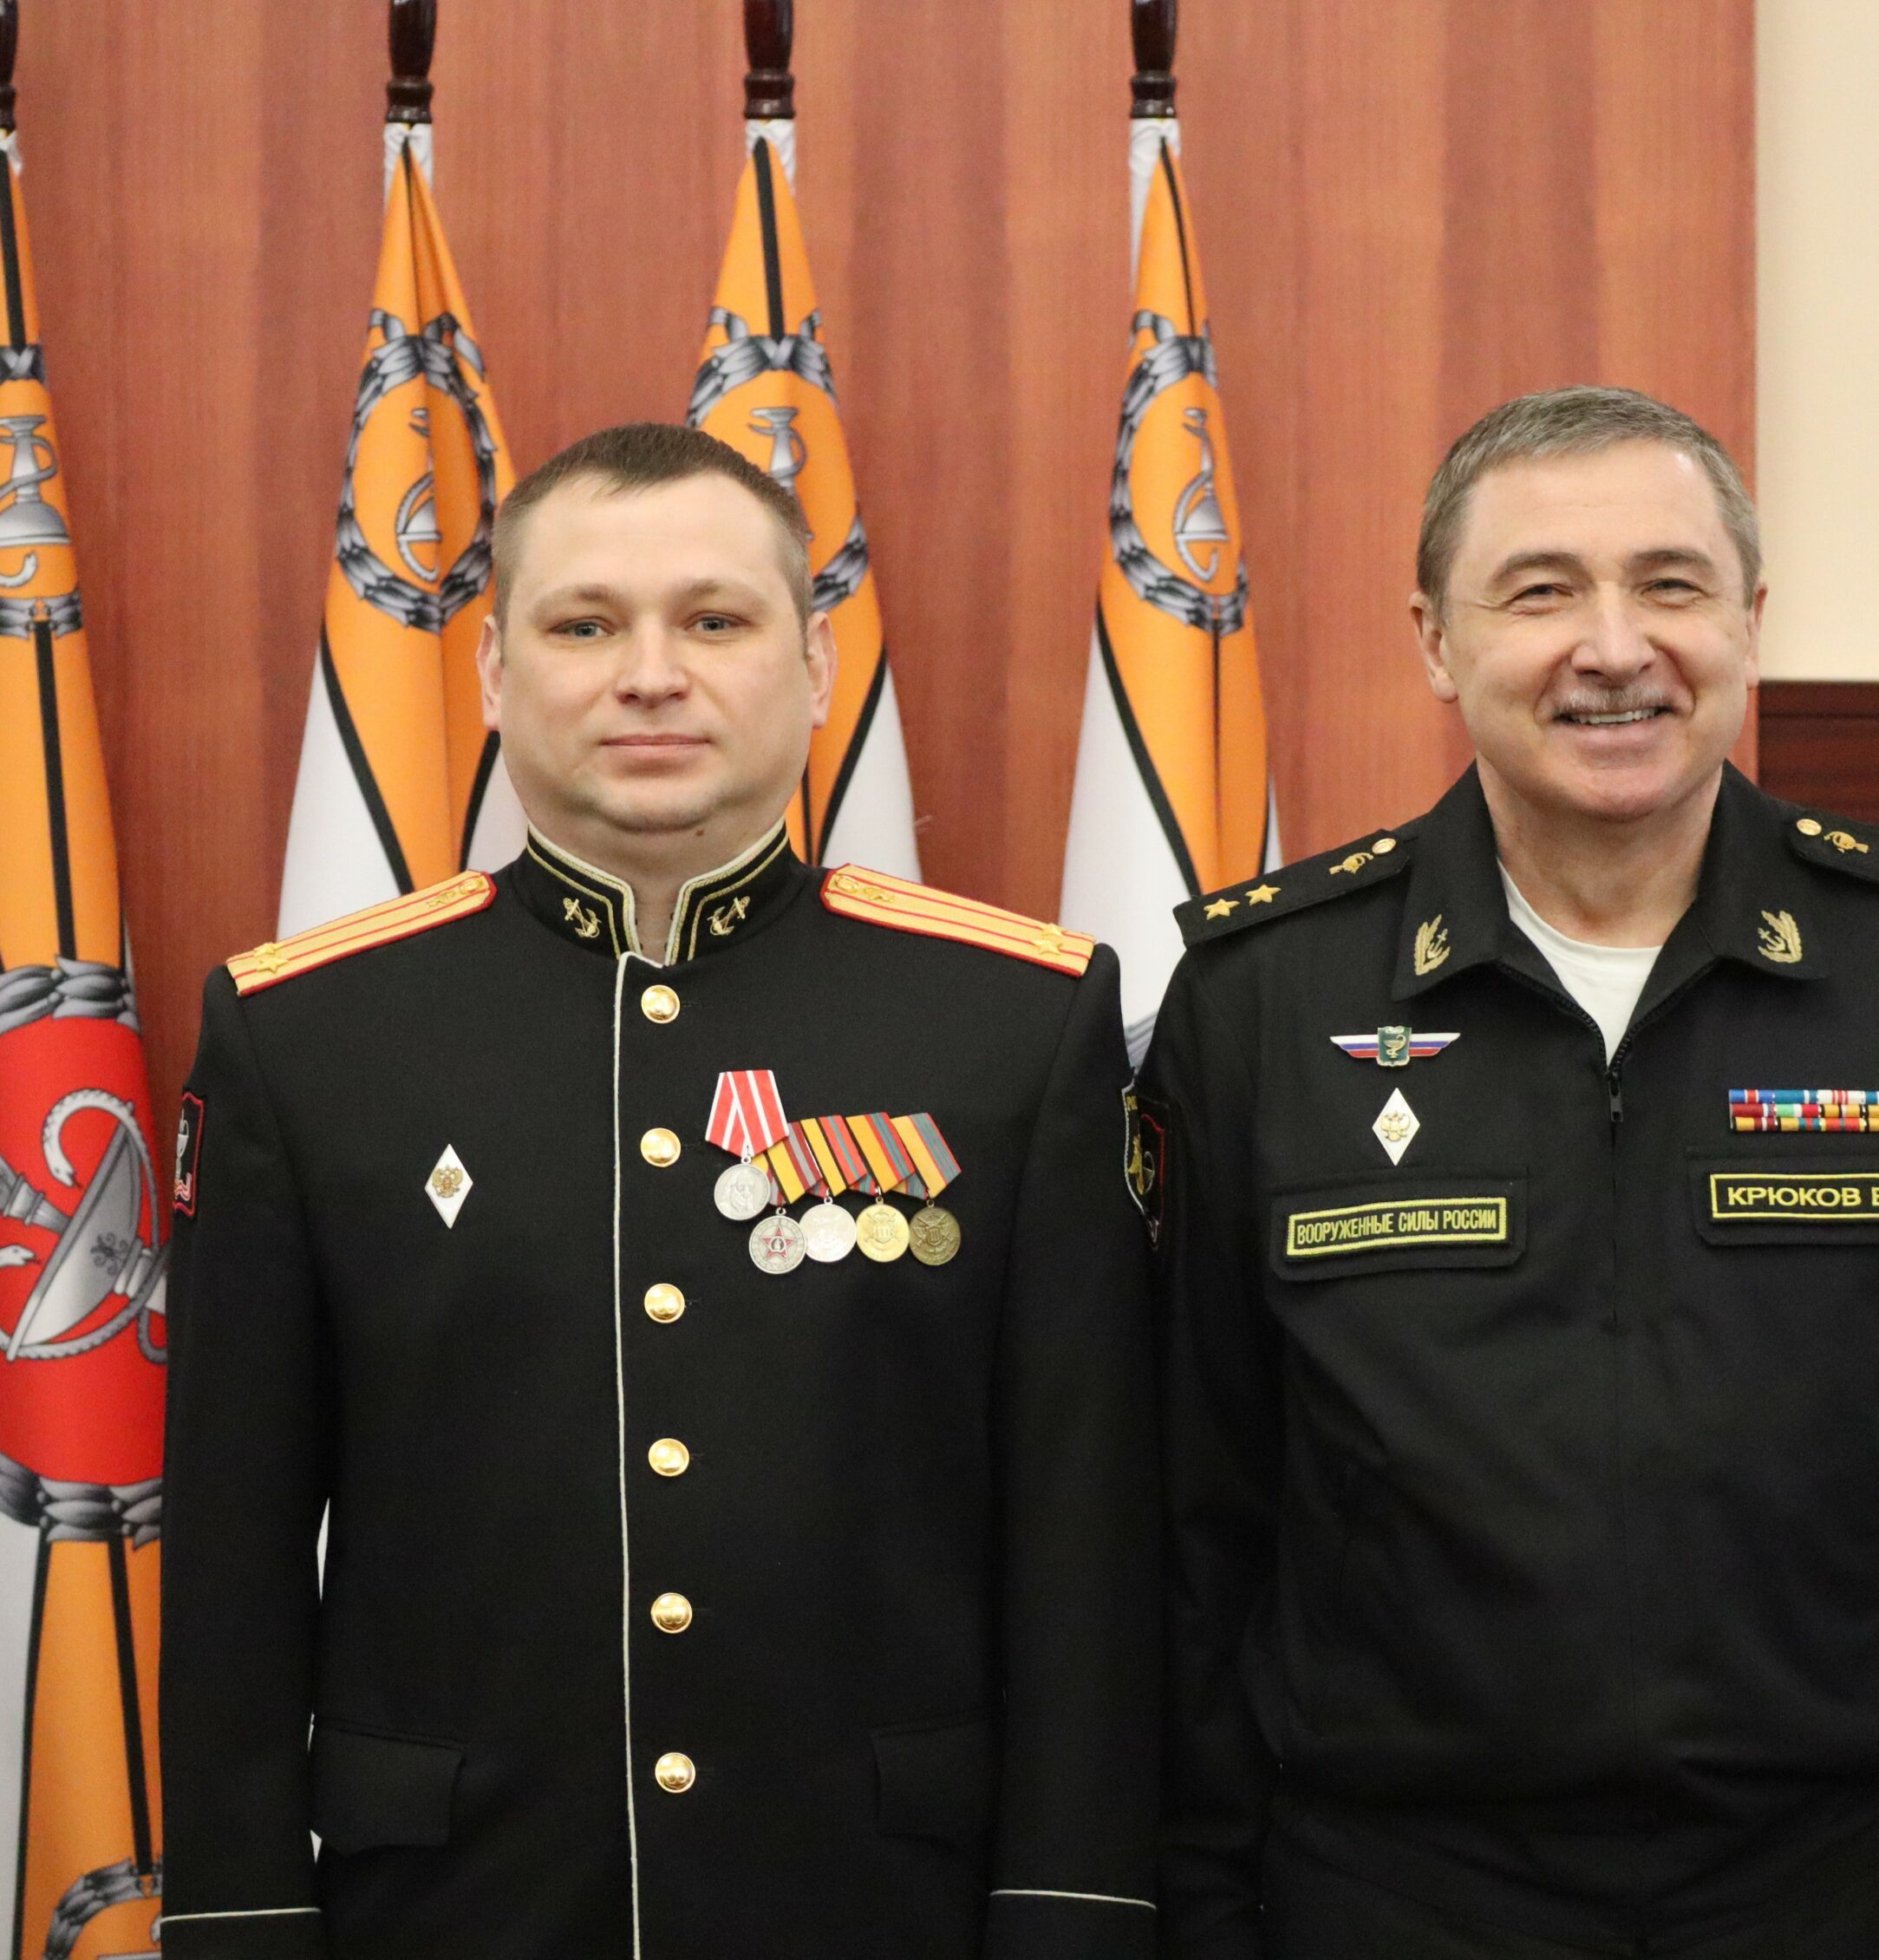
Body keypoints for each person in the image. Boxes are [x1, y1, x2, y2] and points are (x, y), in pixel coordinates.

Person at [1143, 385, 1879, 1960]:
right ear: (1435, 641)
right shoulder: (1263, 999)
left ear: (1748, 622)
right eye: (1541, 591)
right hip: (1389, 1895)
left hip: (1842, 1893)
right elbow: (1189, 1514)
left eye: (1670, 584)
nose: (1615, 648)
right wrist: (1204, 1910)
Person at [160, 422, 1158, 1959]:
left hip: (876, 1905)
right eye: (584, 626)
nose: (649, 675)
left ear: (815, 668)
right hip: (452, 1909)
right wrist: (238, 1921)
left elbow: (1086, 1540)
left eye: (713, 620)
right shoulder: (305, 1036)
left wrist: (1075, 1914)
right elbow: (232, 1552)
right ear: (494, 674)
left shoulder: (1015, 1024)